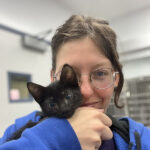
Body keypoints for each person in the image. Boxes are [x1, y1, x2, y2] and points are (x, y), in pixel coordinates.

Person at [0, 14, 150, 150]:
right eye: (70, 76)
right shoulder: (18, 130)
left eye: (100, 73)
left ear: (115, 78)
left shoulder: (140, 138)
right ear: (53, 78)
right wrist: (59, 138)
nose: (85, 91)